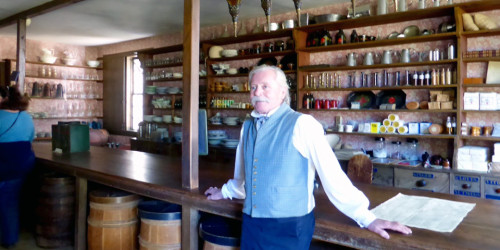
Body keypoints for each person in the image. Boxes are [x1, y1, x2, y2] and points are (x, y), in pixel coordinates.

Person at [204, 65, 411, 249]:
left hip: (289, 227)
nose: (257, 92)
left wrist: (366, 218)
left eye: (265, 86)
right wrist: (226, 191)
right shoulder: (247, 126)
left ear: (283, 91)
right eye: (253, 87)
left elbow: (332, 175)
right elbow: (244, 174)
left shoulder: (302, 124)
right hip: (251, 223)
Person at [0, 85, 35, 248]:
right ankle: (10, 236)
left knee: (7, 200)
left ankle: (9, 238)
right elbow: (30, 138)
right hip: (23, 163)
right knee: (10, 199)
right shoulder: (26, 117)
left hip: (4, 163)